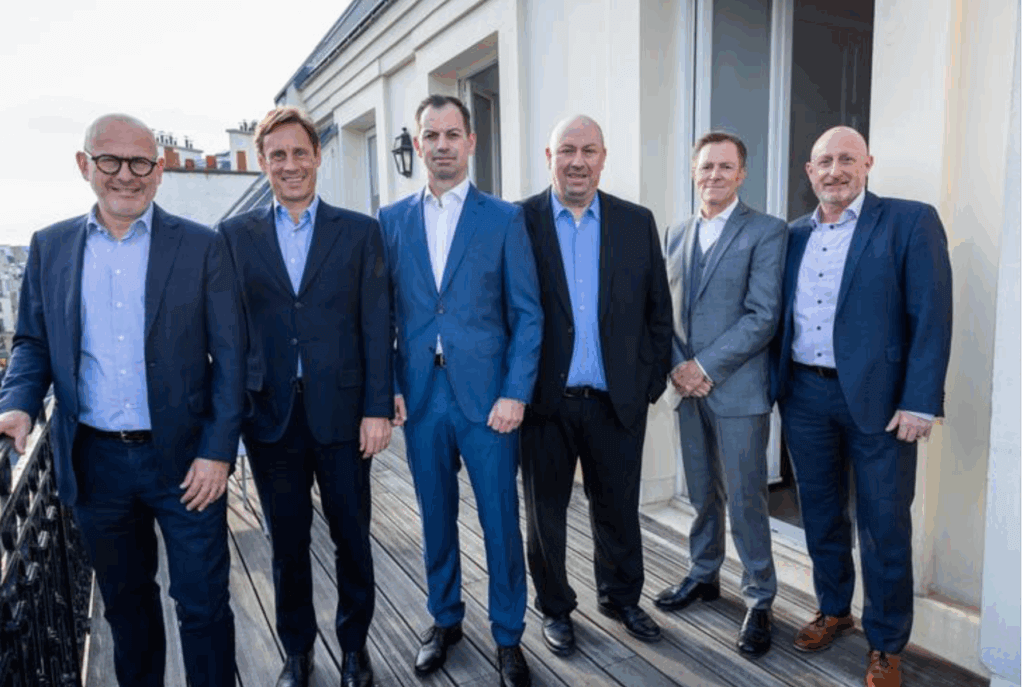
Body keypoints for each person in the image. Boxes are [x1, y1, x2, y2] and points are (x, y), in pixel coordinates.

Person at [0, 114, 243, 687]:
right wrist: (18, 403)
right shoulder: (51, 246)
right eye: (110, 160)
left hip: (187, 461)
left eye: (140, 162)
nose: (125, 175)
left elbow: (234, 359)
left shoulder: (202, 246)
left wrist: (217, 452)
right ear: (84, 165)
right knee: (127, 610)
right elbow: (33, 342)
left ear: (159, 171)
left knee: (204, 606)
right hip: (96, 463)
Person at [770, 126, 953, 687]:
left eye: (847, 158)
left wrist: (920, 401)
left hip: (883, 403)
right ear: (809, 171)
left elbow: (932, 315)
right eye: (824, 161)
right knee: (820, 513)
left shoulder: (909, 221)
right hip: (805, 396)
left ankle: (886, 643)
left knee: (884, 524)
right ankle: (833, 609)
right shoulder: (792, 235)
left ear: (868, 163)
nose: (835, 170)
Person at [218, 106, 391, 687]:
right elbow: (229, 331)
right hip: (270, 418)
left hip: (343, 416)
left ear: (317, 156)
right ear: (262, 163)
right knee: (287, 545)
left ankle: (355, 649)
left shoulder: (360, 232)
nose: (289, 165)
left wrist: (377, 407)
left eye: (299, 153)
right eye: (277, 155)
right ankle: (297, 652)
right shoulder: (235, 237)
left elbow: (377, 324)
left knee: (352, 540)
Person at [378, 95, 542, 687]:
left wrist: (516, 391)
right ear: (418, 144)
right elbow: (380, 314)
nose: (442, 144)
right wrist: (389, 385)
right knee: (435, 516)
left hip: (489, 401)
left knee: (500, 519)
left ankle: (508, 636)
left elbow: (528, 314)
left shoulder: (503, 218)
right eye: (431, 135)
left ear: (471, 142)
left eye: (452, 134)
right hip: (422, 397)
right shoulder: (391, 220)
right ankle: (445, 618)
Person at [518, 115, 673, 656]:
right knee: (545, 517)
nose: (577, 161)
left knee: (618, 508)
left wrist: (648, 384)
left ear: (604, 158)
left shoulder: (636, 222)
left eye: (588, 151)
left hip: (616, 400)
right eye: (567, 150)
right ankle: (556, 608)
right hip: (544, 402)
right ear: (549, 157)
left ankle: (621, 598)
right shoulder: (520, 221)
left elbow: (658, 313)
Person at [654, 131, 786, 657]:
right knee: (701, 491)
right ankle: (703, 573)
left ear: (742, 173)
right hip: (687, 389)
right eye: (706, 166)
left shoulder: (767, 231)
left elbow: (763, 315)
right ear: (694, 171)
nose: (714, 174)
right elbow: (663, 310)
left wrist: (703, 366)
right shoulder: (676, 231)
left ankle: (759, 598)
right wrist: (679, 369)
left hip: (738, 389)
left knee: (746, 497)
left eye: (725, 166)